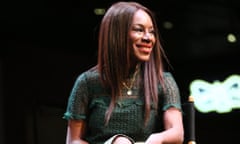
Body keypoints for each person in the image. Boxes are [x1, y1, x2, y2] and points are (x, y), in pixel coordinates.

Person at [63, 1, 184, 144]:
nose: (148, 38)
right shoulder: (87, 83)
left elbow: (177, 133)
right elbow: (73, 141)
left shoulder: (163, 82)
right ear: (117, 34)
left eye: (151, 32)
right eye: (139, 30)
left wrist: (156, 139)